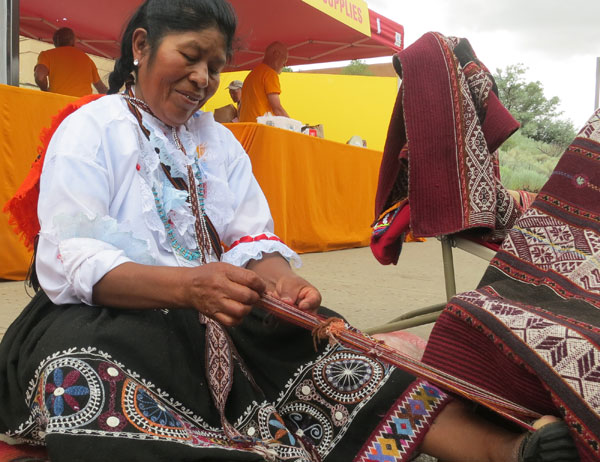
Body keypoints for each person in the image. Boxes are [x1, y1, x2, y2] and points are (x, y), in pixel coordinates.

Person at [0, 1, 578, 461]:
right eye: (191, 55)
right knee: (88, 369)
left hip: (216, 300)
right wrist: (184, 288)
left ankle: (505, 450)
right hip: (111, 309)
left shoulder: (218, 141)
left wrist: (279, 283)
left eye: (216, 66)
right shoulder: (90, 127)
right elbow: (68, 257)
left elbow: (252, 237)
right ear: (142, 46)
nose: (203, 78)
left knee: (332, 341)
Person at [34, 27, 108, 97]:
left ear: (55, 42)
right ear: (73, 41)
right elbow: (101, 88)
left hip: (58, 105)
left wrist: (45, 91)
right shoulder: (86, 59)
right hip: (82, 107)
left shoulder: (47, 55)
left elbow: (39, 76)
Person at [239, 41, 290, 122]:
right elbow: (277, 109)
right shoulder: (269, 74)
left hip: (247, 127)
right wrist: (294, 126)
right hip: (260, 127)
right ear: (276, 54)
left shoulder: (252, 75)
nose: (285, 65)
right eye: (285, 59)